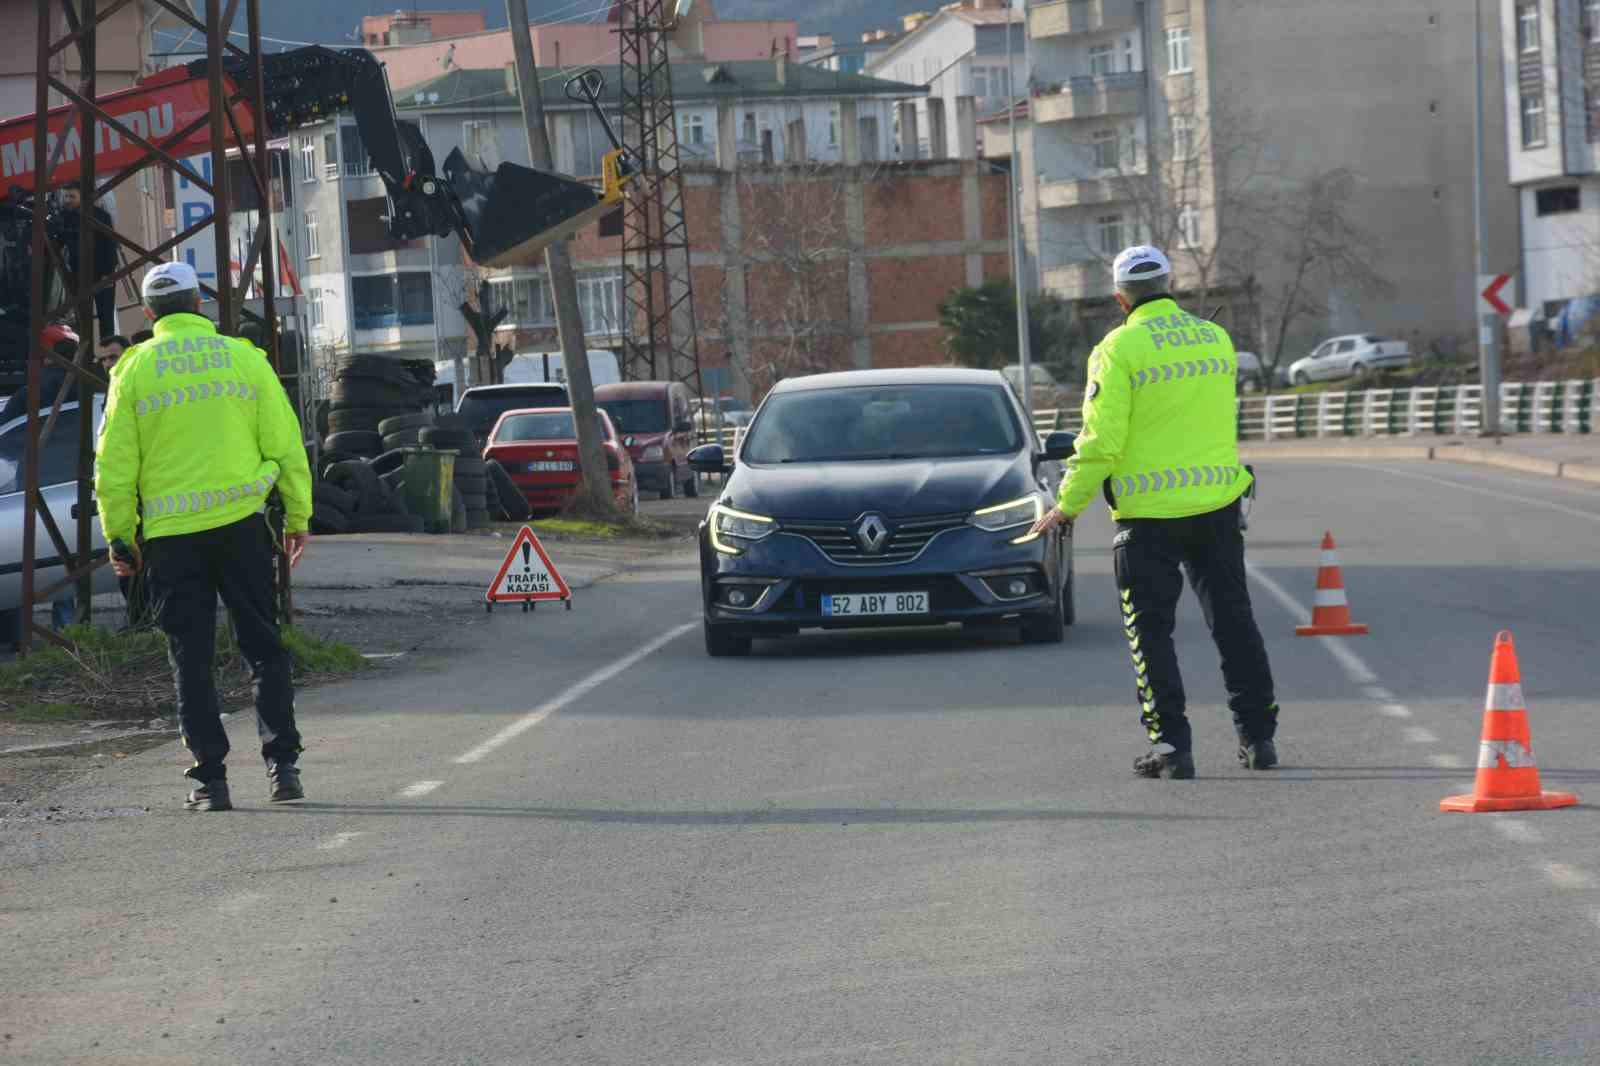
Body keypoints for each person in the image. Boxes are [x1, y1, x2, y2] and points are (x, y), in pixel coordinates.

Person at [1029, 245, 1279, 780]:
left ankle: (1172, 748)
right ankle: (1259, 739)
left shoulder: (1116, 350)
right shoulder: (1216, 338)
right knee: (1235, 622)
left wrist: (1066, 506)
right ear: (1171, 285)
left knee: (1151, 635)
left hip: (1147, 518)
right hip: (1217, 507)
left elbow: (1101, 443)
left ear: (1120, 297)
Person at [95, 262, 314, 812]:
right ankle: (283, 769)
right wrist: (297, 517)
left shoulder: (134, 370)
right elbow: (285, 444)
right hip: (242, 529)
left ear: (148, 314)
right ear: (201, 306)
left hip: (171, 541)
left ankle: (209, 783)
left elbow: (113, 467)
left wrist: (121, 539)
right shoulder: (245, 359)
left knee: (189, 658)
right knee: (263, 646)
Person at [59, 186, 119, 339]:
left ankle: (108, 352)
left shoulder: (100, 216)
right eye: (66, 197)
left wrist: (109, 274)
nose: (68, 200)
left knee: (105, 317)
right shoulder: (64, 217)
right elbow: (58, 242)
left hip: (102, 274)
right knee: (81, 319)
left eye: (72, 196)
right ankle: (84, 354)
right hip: (79, 275)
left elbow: (110, 246)